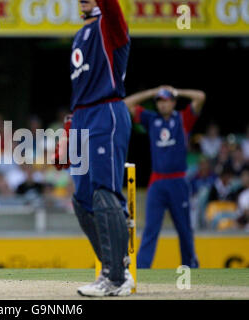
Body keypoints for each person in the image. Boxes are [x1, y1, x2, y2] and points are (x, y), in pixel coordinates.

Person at [54, 0, 134, 296]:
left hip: (106, 112)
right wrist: (68, 132)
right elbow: (80, 92)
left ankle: (117, 278)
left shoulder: (110, 27)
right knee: (82, 199)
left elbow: (111, 7)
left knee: (104, 193)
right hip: (83, 116)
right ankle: (113, 268)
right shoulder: (80, 33)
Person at [124, 85, 206, 269]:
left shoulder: (183, 118)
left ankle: (190, 264)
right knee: (150, 228)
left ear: (173, 102)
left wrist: (178, 91)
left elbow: (200, 96)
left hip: (178, 180)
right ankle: (142, 268)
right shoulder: (151, 119)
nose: (163, 105)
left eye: (166, 100)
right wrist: (152, 92)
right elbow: (126, 103)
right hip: (157, 181)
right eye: (159, 101)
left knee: (184, 228)